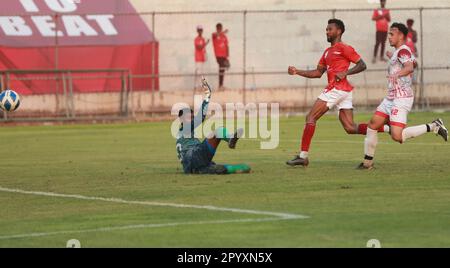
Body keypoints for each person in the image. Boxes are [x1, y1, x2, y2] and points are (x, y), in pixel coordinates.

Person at [286, 19, 390, 167]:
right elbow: (318, 72)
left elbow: (362, 65)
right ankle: (387, 127)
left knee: (310, 117)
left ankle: (303, 156)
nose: (327, 32)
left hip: (337, 88)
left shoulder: (344, 48)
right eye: (326, 29)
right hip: (344, 91)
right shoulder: (327, 52)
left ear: (339, 31)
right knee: (350, 127)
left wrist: (345, 72)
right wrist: (297, 72)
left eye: (330, 29)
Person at [358, 23, 448, 170]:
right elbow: (410, 64)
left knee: (397, 137)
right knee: (373, 125)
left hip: (401, 98)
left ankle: (434, 126)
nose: (389, 37)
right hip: (391, 98)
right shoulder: (399, 52)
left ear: (401, 36)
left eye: (391, 34)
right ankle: (367, 163)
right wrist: (391, 57)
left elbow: (410, 67)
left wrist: (397, 73)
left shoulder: (402, 52)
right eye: (388, 34)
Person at [176, 77, 250, 174]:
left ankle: (231, 168)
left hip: (190, 167)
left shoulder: (183, 134)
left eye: (191, 117)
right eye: (188, 118)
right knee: (218, 131)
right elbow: (200, 118)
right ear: (181, 119)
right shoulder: (185, 128)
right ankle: (230, 139)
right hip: (194, 157)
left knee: (235, 168)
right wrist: (208, 95)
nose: (191, 120)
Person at [212, 23, 229, 90]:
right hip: (218, 55)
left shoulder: (224, 36)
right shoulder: (214, 35)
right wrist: (223, 32)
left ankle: (221, 85)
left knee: (223, 69)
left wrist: (227, 56)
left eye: (220, 28)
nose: (219, 30)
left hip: (224, 55)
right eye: (218, 28)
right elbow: (216, 35)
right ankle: (220, 85)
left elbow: (227, 46)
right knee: (221, 68)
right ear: (217, 29)